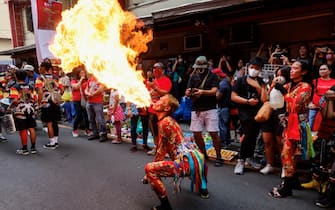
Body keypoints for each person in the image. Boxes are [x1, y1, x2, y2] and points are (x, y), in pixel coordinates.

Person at [144, 94, 209, 210]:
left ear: (167, 108)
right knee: (196, 160)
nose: (156, 101)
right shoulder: (168, 120)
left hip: (186, 162)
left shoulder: (165, 123)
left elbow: (161, 151)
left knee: (149, 169)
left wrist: (148, 175)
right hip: (196, 158)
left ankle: (165, 207)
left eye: (161, 100)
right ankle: (203, 188)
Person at [269, 61, 313, 198]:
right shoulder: (288, 86)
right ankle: (293, 181)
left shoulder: (306, 87)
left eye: (295, 68)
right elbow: (271, 96)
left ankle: (287, 188)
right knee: (291, 154)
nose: (292, 70)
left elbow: (297, 106)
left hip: (298, 125)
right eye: (291, 68)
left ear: (304, 72)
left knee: (286, 154)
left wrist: (283, 92)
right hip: (288, 123)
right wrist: (274, 84)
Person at [185, 56, 223, 167]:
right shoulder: (193, 76)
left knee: (213, 133)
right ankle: (203, 154)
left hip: (210, 108)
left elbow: (214, 91)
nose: (199, 69)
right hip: (196, 108)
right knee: (196, 133)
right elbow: (188, 89)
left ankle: (218, 156)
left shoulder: (213, 76)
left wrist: (202, 92)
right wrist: (188, 92)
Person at [232, 57, 265, 175]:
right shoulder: (240, 80)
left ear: (260, 69)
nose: (253, 70)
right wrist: (247, 101)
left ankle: (249, 158)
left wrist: (257, 87)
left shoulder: (262, 82)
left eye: (256, 68)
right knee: (247, 135)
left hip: (258, 113)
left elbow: (264, 98)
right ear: (248, 67)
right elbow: (233, 96)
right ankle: (241, 160)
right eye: (251, 67)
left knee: (254, 136)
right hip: (245, 113)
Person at [259, 66, 290, 175]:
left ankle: (284, 167)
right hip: (269, 114)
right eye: (277, 75)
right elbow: (264, 99)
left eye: (282, 75)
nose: (279, 77)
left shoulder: (290, 86)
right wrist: (271, 86)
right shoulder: (271, 85)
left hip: (281, 115)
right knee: (267, 141)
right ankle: (269, 164)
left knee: (280, 142)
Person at [8, 70, 37, 155]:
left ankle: (24, 149)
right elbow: (34, 98)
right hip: (30, 109)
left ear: (16, 77)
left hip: (20, 111)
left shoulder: (14, 87)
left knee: (23, 129)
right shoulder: (31, 86)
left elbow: (15, 100)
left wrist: (10, 107)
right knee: (31, 128)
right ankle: (33, 148)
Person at [146, 62, 172, 155]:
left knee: (164, 130)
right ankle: (157, 147)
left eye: (157, 68)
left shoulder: (166, 80)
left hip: (162, 110)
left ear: (162, 70)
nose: (155, 70)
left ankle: (167, 149)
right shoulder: (150, 81)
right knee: (154, 130)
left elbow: (165, 93)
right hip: (152, 109)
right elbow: (147, 93)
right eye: (154, 68)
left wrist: (155, 88)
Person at [36, 60, 62, 150]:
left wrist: (38, 104)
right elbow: (61, 90)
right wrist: (56, 96)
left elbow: (40, 92)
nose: (39, 69)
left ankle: (51, 143)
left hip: (46, 102)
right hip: (55, 102)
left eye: (40, 67)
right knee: (55, 122)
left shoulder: (40, 78)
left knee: (49, 123)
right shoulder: (55, 77)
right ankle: (56, 141)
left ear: (43, 68)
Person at [308, 64, 335, 132]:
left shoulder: (334, 81)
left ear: (330, 71)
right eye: (320, 69)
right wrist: (310, 103)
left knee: (324, 127)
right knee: (310, 126)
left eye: (324, 69)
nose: (322, 71)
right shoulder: (315, 81)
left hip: (328, 109)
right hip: (315, 108)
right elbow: (310, 94)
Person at [212, 68, 231, 148]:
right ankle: (227, 142)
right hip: (226, 107)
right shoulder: (226, 82)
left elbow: (217, 96)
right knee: (225, 126)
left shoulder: (222, 84)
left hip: (223, 108)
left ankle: (223, 143)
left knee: (222, 126)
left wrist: (211, 93)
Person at [85, 74, 107, 142]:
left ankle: (103, 134)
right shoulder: (90, 79)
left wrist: (92, 94)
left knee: (100, 119)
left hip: (98, 102)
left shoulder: (101, 78)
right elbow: (86, 89)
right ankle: (95, 133)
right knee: (91, 119)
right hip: (89, 102)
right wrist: (87, 93)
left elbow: (101, 89)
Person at [71, 66, 91, 137]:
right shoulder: (74, 81)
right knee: (78, 115)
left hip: (85, 100)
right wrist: (81, 80)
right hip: (77, 100)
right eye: (81, 73)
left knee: (86, 115)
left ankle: (87, 129)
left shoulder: (86, 81)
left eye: (84, 73)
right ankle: (74, 129)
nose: (83, 74)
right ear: (78, 74)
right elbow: (76, 87)